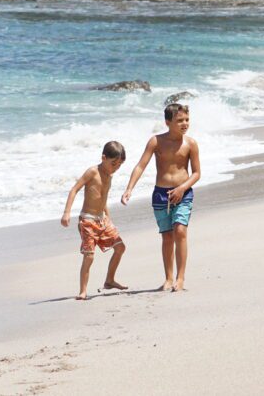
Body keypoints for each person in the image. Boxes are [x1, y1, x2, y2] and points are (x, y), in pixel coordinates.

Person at [120, 103, 201, 291]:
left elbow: (196, 173)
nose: (184, 123)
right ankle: (168, 278)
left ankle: (180, 278)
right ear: (167, 122)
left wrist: (182, 188)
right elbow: (141, 165)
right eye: (179, 120)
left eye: (187, 120)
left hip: (183, 193)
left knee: (180, 231)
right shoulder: (156, 141)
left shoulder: (191, 144)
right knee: (167, 236)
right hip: (160, 195)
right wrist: (129, 188)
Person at [61, 141, 129, 300]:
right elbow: (74, 190)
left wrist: (108, 218)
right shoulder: (92, 172)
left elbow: (102, 198)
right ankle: (83, 291)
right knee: (89, 256)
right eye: (113, 163)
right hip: (88, 221)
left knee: (120, 248)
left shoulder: (109, 176)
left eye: (119, 165)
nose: (116, 167)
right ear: (103, 157)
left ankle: (109, 280)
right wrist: (66, 213)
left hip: (102, 220)